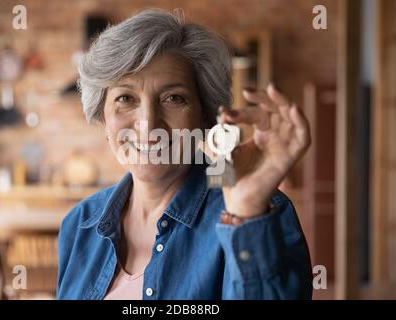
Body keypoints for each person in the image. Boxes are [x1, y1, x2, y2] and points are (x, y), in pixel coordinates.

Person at [56, 9, 312, 300]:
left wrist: (247, 210)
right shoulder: (79, 224)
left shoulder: (259, 213)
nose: (148, 124)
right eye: (125, 98)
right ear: (103, 118)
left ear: (205, 118)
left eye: (173, 98)